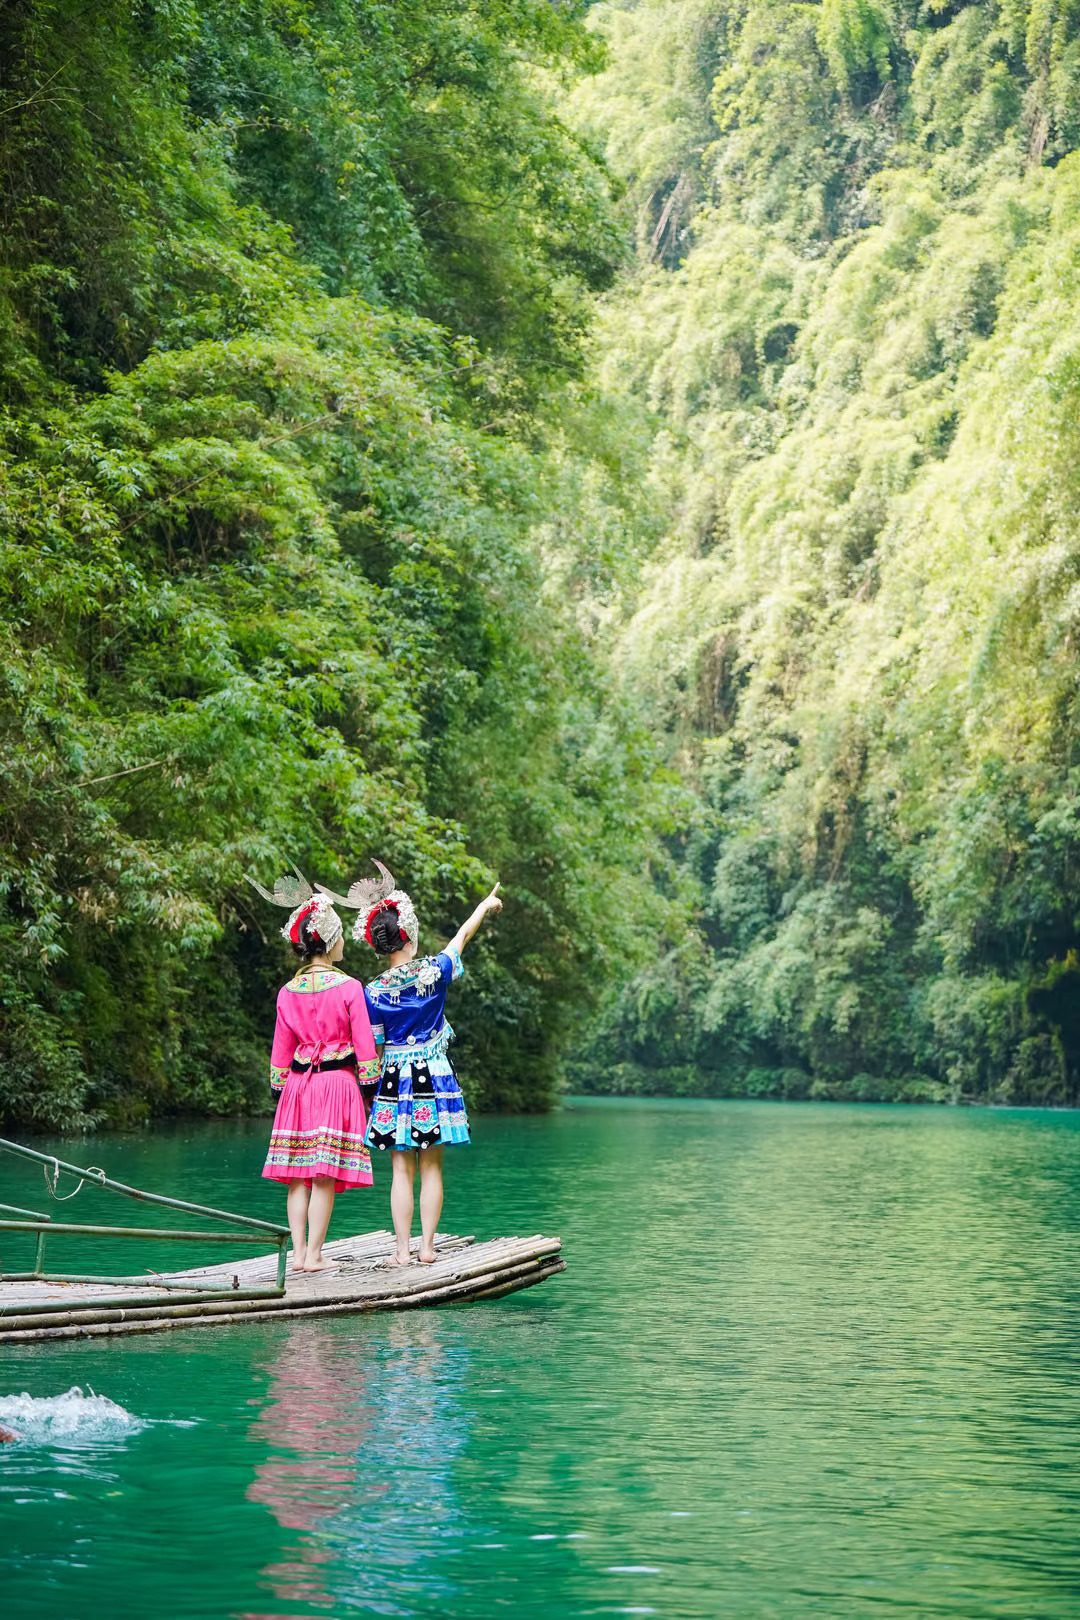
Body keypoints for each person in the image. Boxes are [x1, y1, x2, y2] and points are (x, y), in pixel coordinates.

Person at [357, 873, 502, 1266]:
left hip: (393, 1076)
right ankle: (426, 1249)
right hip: (433, 1073)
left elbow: (376, 1042)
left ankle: (401, 1252)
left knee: (401, 1169)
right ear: (409, 934)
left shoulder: (373, 991)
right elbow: (462, 937)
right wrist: (485, 907)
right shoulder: (434, 971)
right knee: (431, 1165)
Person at [247, 870, 381, 1272]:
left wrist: (279, 1087)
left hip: (298, 1088)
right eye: (340, 935)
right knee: (323, 1173)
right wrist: (370, 1089)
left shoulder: (287, 992)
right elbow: (365, 1048)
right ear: (330, 940)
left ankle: (299, 1251)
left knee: (297, 1174)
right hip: (338, 1085)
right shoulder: (349, 987)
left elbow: (280, 1052)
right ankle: (315, 1256)